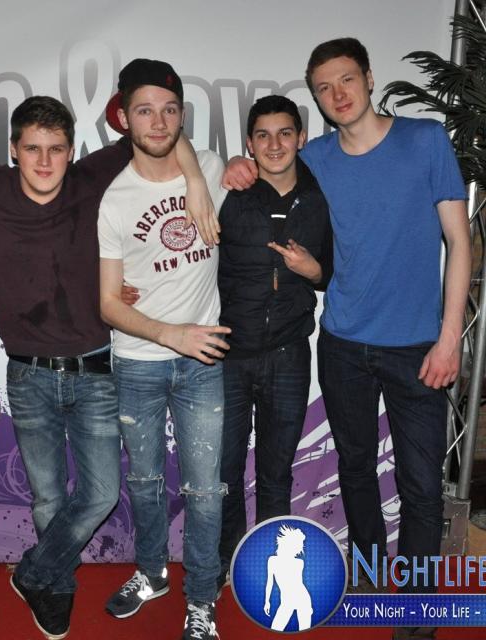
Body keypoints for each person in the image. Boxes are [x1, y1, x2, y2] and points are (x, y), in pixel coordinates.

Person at [0, 93, 216, 640]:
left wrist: (196, 179)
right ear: (13, 151)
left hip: (95, 370)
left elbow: (159, 133)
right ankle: (57, 586)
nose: (45, 161)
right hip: (27, 376)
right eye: (32, 149)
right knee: (47, 496)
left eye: (55, 149)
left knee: (101, 493)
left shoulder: (89, 179)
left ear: (72, 151)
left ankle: (33, 573)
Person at [224, 38, 471, 640]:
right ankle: (369, 574)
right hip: (341, 344)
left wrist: (450, 339)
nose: (338, 94)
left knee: (420, 486)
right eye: (324, 88)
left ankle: (417, 611)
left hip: (418, 348)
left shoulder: (425, 140)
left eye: (346, 80)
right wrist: (236, 164)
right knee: (356, 468)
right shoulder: (316, 158)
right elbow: (267, 165)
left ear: (368, 78)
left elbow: (461, 243)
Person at [98, 58, 228, 640]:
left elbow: (199, 158)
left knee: (205, 491)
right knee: (145, 482)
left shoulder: (212, 168)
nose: (158, 122)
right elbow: (108, 304)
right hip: (138, 362)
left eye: (169, 110)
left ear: (182, 116)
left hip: (202, 367)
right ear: (124, 118)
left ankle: (201, 599)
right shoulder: (114, 198)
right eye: (145, 110)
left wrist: (196, 177)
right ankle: (151, 573)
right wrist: (172, 334)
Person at [216, 95, 332, 592]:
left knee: (276, 471)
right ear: (249, 143)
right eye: (263, 135)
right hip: (228, 354)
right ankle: (225, 562)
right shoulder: (231, 191)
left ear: (301, 138)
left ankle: (267, 563)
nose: (275, 144)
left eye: (285, 133)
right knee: (223, 472)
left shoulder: (323, 194)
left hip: (289, 353)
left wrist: (313, 270)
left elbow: (334, 271)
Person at [263, 525, 312, 631]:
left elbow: (298, 584)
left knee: (304, 632)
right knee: (275, 629)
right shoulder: (272, 560)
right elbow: (269, 583)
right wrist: (267, 601)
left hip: (302, 599)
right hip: (286, 601)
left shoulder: (299, 563)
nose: (299, 549)